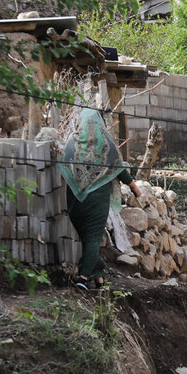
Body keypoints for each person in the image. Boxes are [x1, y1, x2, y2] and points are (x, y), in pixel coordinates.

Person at [58, 108, 140, 289]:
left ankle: (99, 276)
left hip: (75, 201)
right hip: (98, 200)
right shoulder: (107, 145)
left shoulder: (71, 145)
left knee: (86, 238)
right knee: (93, 238)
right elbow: (119, 168)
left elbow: (63, 166)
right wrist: (133, 186)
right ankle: (84, 277)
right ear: (99, 124)